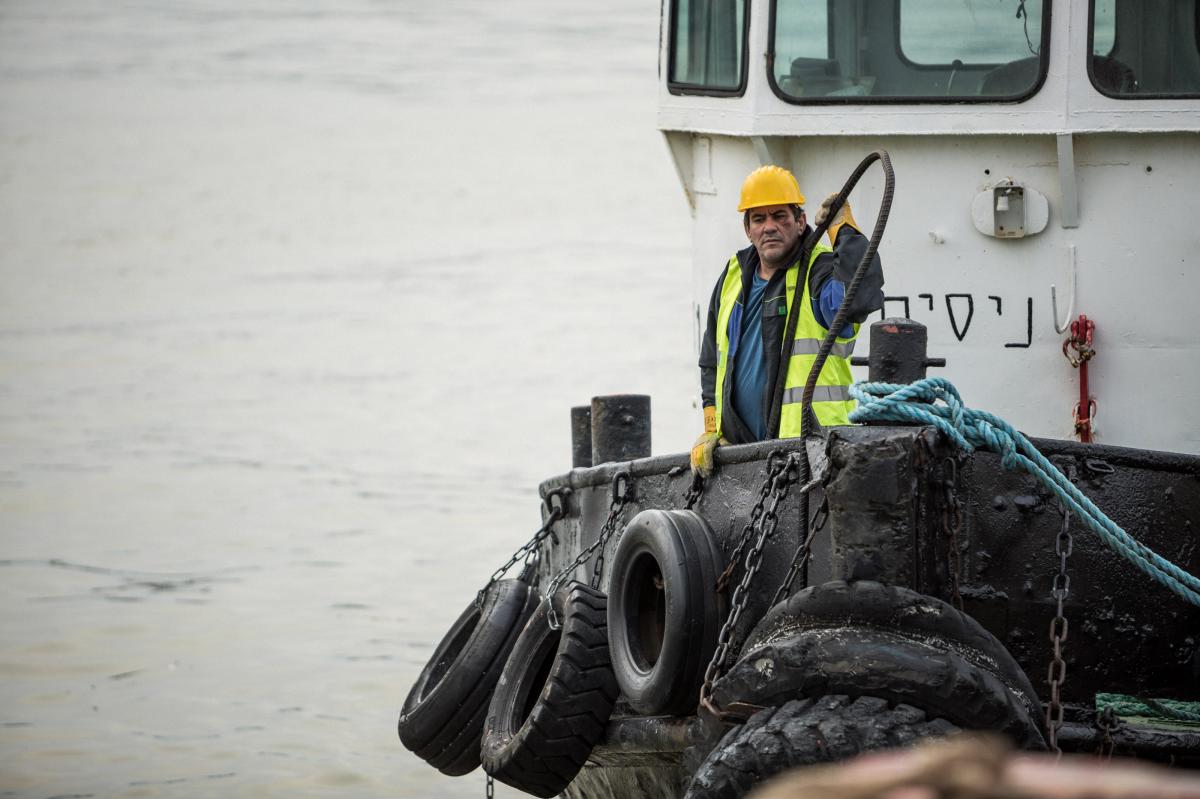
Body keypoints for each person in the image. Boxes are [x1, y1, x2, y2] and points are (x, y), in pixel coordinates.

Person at [690, 165, 884, 477]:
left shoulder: (818, 272)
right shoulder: (733, 275)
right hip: (743, 457)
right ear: (748, 230)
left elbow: (858, 297)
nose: (770, 226)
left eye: (780, 216)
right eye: (759, 218)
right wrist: (711, 428)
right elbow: (712, 361)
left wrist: (844, 230)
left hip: (813, 454)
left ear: (800, 221)